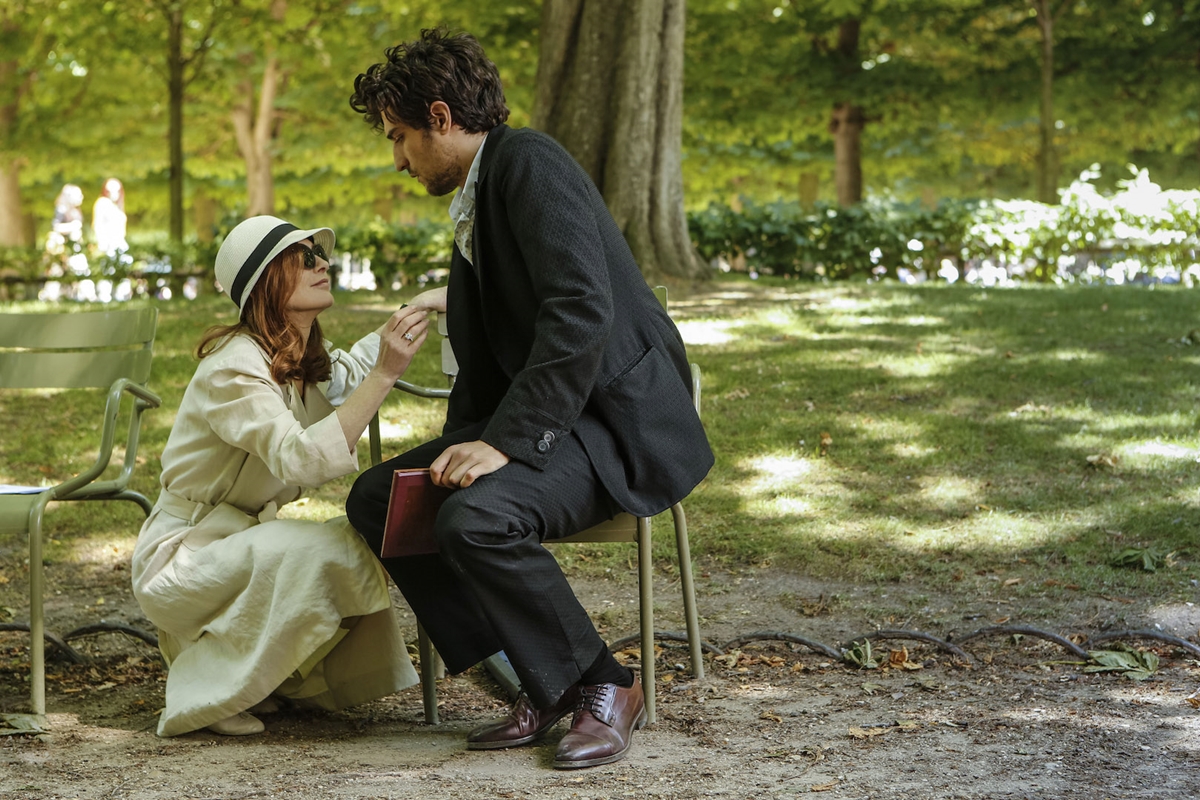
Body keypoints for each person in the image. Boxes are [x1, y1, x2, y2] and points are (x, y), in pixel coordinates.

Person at [345, 30, 714, 769]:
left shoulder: (530, 165)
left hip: (612, 429)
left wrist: (503, 443)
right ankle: (534, 679)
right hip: (561, 421)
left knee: (477, 518)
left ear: (441, 116)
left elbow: (580, 311)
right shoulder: (483, 192)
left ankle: (606, 686)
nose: (397, 159)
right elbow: (492, 361)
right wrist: (463, 442)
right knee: (386, 499)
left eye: (400, 138)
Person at [131, 215, 429, 737]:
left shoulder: (298, 356)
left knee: (358, 543)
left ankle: (269, 680)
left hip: (240, 546)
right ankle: (206, 690)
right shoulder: (234, 366)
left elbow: (355, 369)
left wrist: (428, 303)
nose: (323, 264)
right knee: (321, 549)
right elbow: (299, 458)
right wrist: (387, 375)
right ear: (266, 280)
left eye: (321, 255)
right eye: (304, 257)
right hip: (184, 556)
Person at [91, 177, 131, 302]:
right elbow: (97, 225)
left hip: (119, 244)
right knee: (107, 272)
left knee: (122, 271)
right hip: (107, 244)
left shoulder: (118, 206)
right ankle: (105, 297)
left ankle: (121, 296)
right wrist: (102, 244)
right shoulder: (102, 203)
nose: (114, 193)